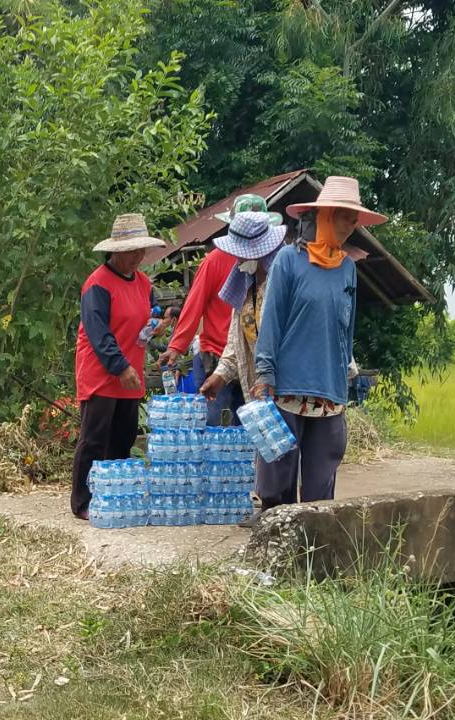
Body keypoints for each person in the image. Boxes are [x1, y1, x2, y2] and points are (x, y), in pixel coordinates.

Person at [253, 176, 385, 505]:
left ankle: (314, 551)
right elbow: (271, 320)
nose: (350, 224)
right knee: (276, 481)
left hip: (329, 390)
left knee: (321, 486)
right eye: (344, 216)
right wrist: (264, 373)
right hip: (287, 388)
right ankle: (276, 545)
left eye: (354, 218)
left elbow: (346, 330)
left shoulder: (347, 269)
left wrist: (345, 377)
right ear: (324, 215)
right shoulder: (288, 261)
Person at [196, 210, 289, 521]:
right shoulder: (247, 288)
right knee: (266, 453)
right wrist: (221, 375)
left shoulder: (281, 286)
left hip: (283, 386)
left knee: (282, 457)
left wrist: (271, 375)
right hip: (258, 390)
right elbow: (237, 343)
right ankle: (270, 513)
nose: (235, 260)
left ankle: (282, 517)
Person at [71, 212, 165, 519]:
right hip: (103, 372)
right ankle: (83, 500)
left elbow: (146, 317)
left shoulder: (144, 283)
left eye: (141, 251)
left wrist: (156, 327)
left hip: (130, 371)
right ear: (116, 251)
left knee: (123, 437)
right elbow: (99, 334)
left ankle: (113, 495)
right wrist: (120, 366)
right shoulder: (97, 284)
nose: (138, 257)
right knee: (95, 438)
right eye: (132, 251)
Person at [163, 193, 275, 424]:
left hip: (257, 360)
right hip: (217, 355)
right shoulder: (217, 261)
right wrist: (177, 346)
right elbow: (195, 304)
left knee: (249, 426)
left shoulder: (274, 269)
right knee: (211, 421)